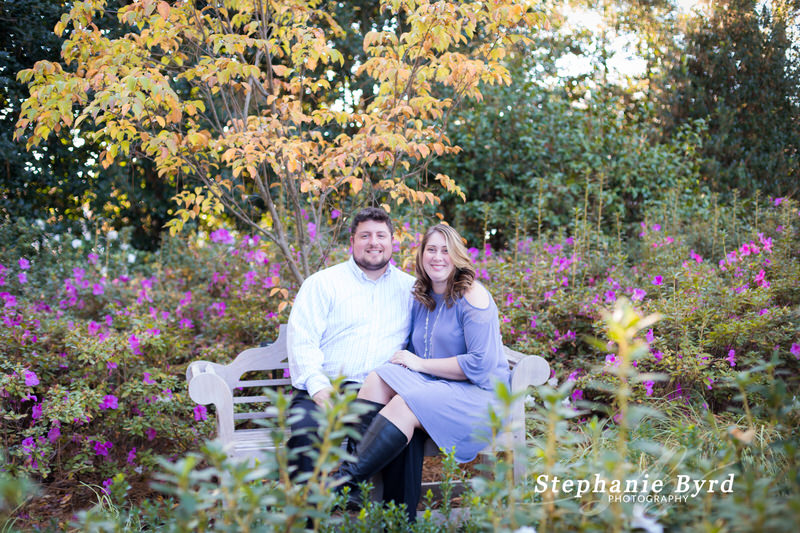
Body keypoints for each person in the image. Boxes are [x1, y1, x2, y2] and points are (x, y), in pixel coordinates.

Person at [334, 223, 511, 496]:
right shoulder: (423, 295)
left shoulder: (472, 295)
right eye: (431, 250)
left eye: (445, 250)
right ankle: (358, 489)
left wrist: (419, 364)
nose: (437, 257)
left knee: (404, 403)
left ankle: (342, 485)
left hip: (478, 394)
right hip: (436, 385)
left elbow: (480, 365)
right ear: (422, 255)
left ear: (457, 256)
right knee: (377, 379)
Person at [286, 206, 426, 519]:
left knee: (408, 438)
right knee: (306, 433)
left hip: (382, 394)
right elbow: (302, 342)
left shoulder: (411, 289)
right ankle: (306, 522)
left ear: (392, 242)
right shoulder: (322, 283)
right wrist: (320, 389)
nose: (373, 242)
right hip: (325, 389)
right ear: (352, 240)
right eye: (365, 235)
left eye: (380, 235)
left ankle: (398, 523)